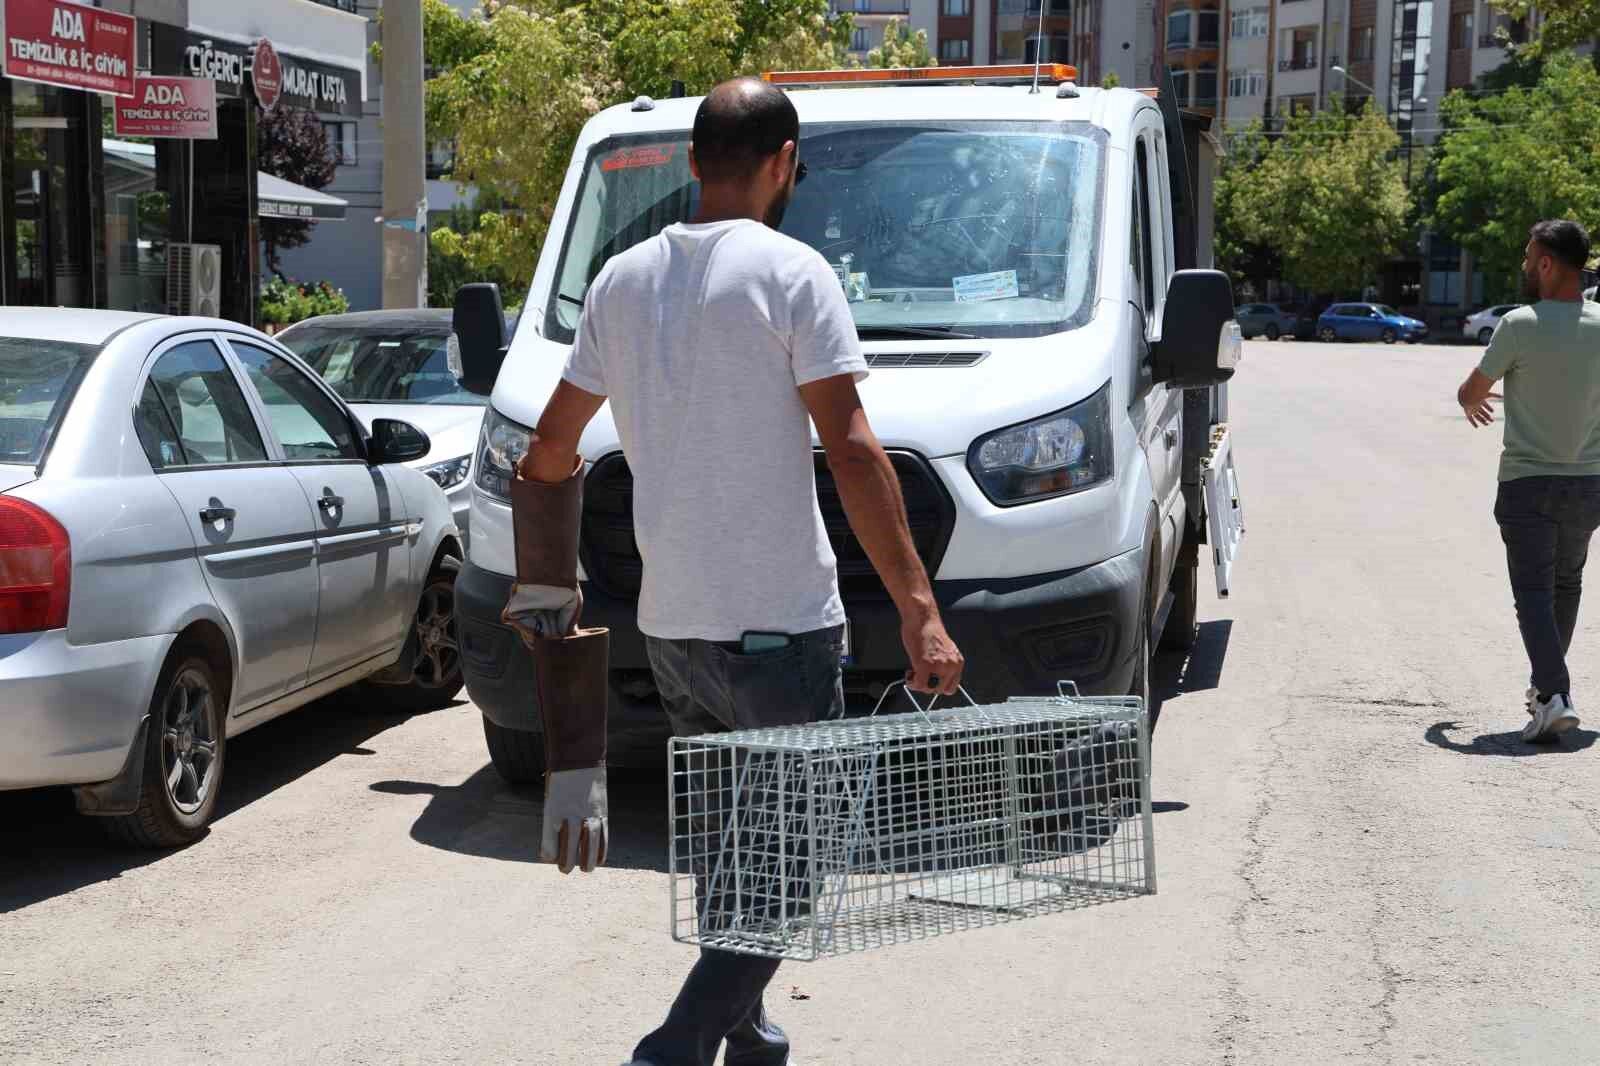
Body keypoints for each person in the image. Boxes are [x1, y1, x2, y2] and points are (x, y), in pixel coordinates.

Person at [515, 76, 965, 1066]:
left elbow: (546, 454)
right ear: (785, 163)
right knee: (791, 863)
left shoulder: (621, 280)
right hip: (779, 625)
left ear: (690, 164)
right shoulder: (794, 272)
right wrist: (919, 610)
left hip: (675, 627)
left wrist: (544, 582)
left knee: (734, 846)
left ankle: (748, 1034)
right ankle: (672, 1046)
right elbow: (852, 449)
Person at [1457, 219, 1600, 742]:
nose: (1523, 265)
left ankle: (1555, 691)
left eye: (1527, 256)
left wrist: (1477, 401)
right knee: (1566, 584)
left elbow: (1470, 391)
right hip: (1589, 484)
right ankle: (1547, 696)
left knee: (1535, 592)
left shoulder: (1519, 324)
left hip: (1527, 484)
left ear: (1546, 263)